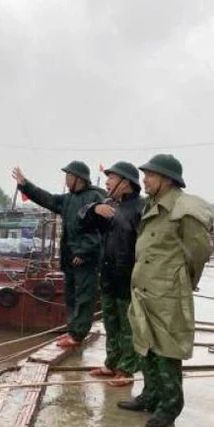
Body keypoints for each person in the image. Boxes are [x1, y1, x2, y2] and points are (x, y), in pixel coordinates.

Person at [119, 154, 213, 427]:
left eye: (150, 175)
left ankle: (170, 404)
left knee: (166, 349)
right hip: (144, 289)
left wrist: (182, 280)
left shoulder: (184, 208)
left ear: (166, 179)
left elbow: (199, 252)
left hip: (167, 292)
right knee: (145, 345)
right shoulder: (152, 204)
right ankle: (150, 395)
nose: (145, 179)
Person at [11, 161, 102, 347]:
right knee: (70, 296)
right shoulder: (68, 200)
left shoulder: (95, 197)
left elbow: (101, 230)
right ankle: (72, 331)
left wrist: (84, 251)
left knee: (84, 297)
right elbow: (47, 199)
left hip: (86, 259)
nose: (66, 180)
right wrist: (25, 184)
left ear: (79, 178)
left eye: (69, 176)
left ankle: (78, 334)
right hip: (69, 258)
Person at [78, 161, 143, 386]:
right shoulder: (109, 205)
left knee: (128, 327)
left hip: (129, 278)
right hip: (108, 276)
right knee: (111, 324)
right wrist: (93, 208)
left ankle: (127, 370)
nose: (107, 182)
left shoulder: (140, 209)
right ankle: (111, 363)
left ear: (126, 182)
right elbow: (82, 221)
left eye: (112, 178)